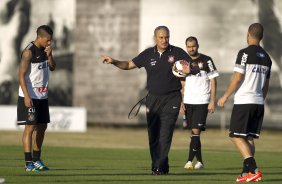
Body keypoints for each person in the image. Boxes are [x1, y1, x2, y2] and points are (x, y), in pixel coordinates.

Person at [102, 26, 198, 175]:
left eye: (167, 37)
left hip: (172, 98)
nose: (164, 40)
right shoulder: (148, 54)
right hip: (152, 99)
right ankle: (159, 166)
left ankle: (159, 167)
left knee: (165, 134)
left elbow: (195, 67)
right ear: (155, 38)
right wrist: (114, 61)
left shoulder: (177, 52)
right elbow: (128, 65)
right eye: (161, 37)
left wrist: (189, 70)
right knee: (153, 136)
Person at [217, 23, 272, 182]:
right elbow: (266, 85)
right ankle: (245, 173)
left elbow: (238, 78)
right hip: (258, 102)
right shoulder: (267, 58)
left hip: (245, 101)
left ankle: (254, 169)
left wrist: (225, 96)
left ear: (248, 34)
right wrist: (261, 99)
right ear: (261, 36)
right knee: (248, 138)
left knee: (235, 135)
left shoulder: (244, 53)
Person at [18, 25, 56, 172]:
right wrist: (26, 96)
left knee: (42, 127)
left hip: (42, 96)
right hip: (30, 96)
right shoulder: (28, 52)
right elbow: (20, 75)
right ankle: (28, 164)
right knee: (30, 128)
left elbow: (53, 67)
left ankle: (37, 160)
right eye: (48, 40)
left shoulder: (46, 51)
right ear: (40, 37)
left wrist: (50, 55)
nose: (49, 43)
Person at [181, 36, 219, 170]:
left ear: (198, 45)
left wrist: (212, 101)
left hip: (202, 101)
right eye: (189, 46)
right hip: (188, 101)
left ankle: (189, 161)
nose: (191, 49)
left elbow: (213, 81)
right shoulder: (183, 62)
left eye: (194, 46)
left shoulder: (207, 60)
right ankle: (201, 162)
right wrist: (181, 102)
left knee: (195, 132)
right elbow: (182, 84)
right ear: (186, 47)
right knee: (194, 133)